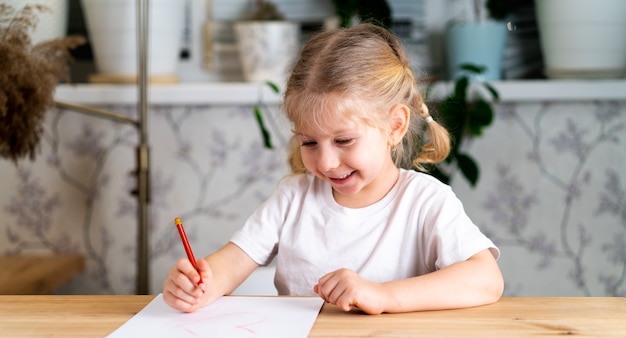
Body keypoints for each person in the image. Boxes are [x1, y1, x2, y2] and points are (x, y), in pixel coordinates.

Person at [163, 23, 504, 314]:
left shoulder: (426, 201)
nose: (325, 162)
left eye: (343, 141)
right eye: (309, 142)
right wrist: (202, 283)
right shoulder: (293, 198)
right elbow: (234, 262)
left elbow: (486, 280)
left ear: (395, 127)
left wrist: (384, 295)